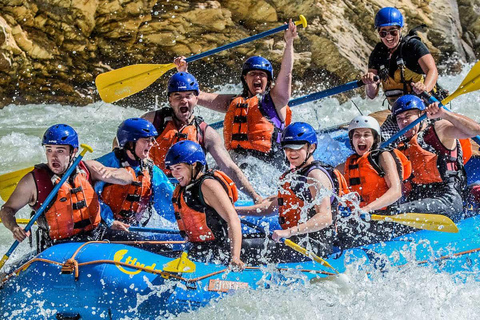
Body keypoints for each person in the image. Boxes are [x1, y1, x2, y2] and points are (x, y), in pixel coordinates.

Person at [173, 19, 298, 166]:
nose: (257, 77)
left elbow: (286, 73)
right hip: (237, 162)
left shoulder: (277, 100)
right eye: (252, 73)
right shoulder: (233, 101)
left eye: (262, 74)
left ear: (268, 79)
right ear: (245, 78)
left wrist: (289, 42)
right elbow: (196, 96)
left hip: (267, 164)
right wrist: (183, 73)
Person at [0, 124, 133, 252]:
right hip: (60, 247)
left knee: (146, 244)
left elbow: (127, 176)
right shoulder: (33, 182)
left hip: (96, 235)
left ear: (73, 152)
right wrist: (14, 228)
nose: (53, 156)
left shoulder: (86, 169)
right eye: (49, 150)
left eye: (60, 151)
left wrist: (112, 175)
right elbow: (7, 210)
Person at [141, 72, 262, 203]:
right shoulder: (152, 121)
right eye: (178, 96)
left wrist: (255, 197)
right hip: (155, 187)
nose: (184, 101)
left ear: (196, 99)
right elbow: (121, 143)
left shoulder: (206, 133)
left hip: (187, 193)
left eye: (189, 96)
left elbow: (229, 167)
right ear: (170, 100)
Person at [236, 123, 349, 259]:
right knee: (238, 240)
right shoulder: (295, 175)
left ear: (311, 148)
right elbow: (270, 208)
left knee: (242, 246)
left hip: (315, 246)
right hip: (298, 240)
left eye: (297, 148)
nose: (291, 153)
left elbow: (325, 217)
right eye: (287, 148)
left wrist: (289, 232)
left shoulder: (315, 175)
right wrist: (235, 211)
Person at [391, 95, 480, 221]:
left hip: (447, 199)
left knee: (395, 212)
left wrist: (445, 114)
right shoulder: (399, 147)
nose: (403, 122)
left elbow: (475, 130)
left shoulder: (438, 130)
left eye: (408, 116)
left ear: (421, 115)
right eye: (399, 119)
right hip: (418, 200)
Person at [362, 7, 444, 142]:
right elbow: (371, 94)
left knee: (423, 141)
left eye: (393, 32)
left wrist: (424, 87)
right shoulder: (377, 54)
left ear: (400, 29)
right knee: (378, 145)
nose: (389, 37)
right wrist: (370, 82)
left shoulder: (413, 46)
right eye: (383, 33)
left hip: (423, 109)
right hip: (399, 114)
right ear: (378, 33)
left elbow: (432, 70)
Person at [165, 140, 244, 269]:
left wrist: (235, 257)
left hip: (219, 251)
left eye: (178, 168)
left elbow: (232, 218)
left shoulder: (207, 185)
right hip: (200, 249)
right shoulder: (183, 188)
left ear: (194, 165)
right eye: (172, 169)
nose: (174, 173)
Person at [336, 116, 411, 246]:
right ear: (352, 140)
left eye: (366, 135)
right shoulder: (347, 164)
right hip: (362, 218)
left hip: (386, 219)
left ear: (375, 138)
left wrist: (367, 209)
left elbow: (396, 191)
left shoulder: (383, 156)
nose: (361, 139)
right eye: (357, 135)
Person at [95, 118, 175, 240]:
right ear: (130, 143)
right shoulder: (106, 164)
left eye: (152, 140)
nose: (152, 144)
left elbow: (169, 202)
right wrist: (109, 221)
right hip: (103, 228)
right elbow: (89, 196)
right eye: (146, 140)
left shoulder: (151, 170)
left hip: (131, 229)